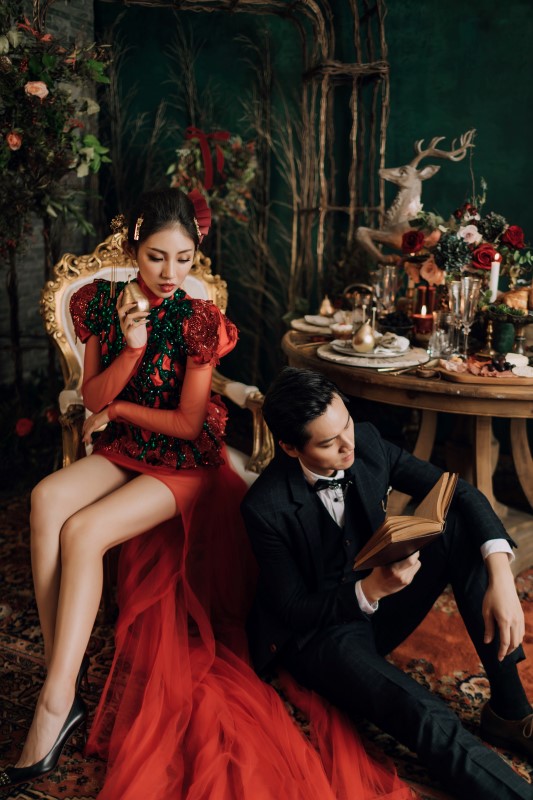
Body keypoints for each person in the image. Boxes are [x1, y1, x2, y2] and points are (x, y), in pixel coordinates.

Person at [0, 191, 414, 800]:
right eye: (156, 257)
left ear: (197, 255)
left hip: (185, 461)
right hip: (125, 447)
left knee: (82, 533)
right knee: (45, 500)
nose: (171, 273)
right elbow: (89, 397)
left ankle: (52, 706)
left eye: (185, 259)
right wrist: (130, 350)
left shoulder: (198, 318)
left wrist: (116, 406)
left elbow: (189, 425)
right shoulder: (98, 301)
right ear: (132, 249)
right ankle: (63, 676)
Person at [241, 366, 533, 800]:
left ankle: (510, 713)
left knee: (458, 530)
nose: (348, 445)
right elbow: (292, 610)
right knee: (422, 711)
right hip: (321, 635)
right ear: (289, 447)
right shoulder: (263, 507)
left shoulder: (367, 441)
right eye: (328, 442)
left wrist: (500, 575)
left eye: (346, 425)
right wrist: (370, 591)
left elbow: (459, 491)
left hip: (381, 602)